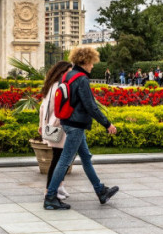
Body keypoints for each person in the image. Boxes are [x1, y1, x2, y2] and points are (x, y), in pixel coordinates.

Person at [44, 47, 119, 210]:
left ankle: (100, 191)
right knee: (64, 161)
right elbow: (91, 106)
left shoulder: (67, 75)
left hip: (67, 121)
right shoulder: (82, 79)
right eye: (91, 63)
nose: (92, 66)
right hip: (76, 125)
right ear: (85, 61)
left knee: (85, 158)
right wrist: (107, 124)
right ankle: (50, 197)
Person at [39, 61, 73, 200]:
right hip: (58, 126)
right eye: (69, 72)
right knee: (58, 159)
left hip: (51, 125)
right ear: (61, 72)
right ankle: (49, 189)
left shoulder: (50, 86)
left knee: (60, 158)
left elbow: (43, 108)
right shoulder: (59, 87)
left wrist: (41, 124)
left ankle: (59, 185)